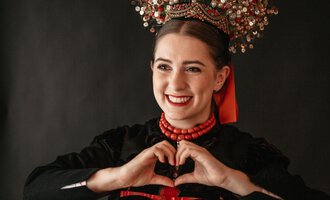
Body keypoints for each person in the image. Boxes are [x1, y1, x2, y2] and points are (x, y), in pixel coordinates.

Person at [23, 0, 330, 200]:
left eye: (193, 69)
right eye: (164, 67)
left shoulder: (249, 155)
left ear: (220, 77)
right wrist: (117, 176)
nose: (175, 83)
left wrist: (235, 182)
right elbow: (36, 190)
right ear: (152, 69)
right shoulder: (122, 145)